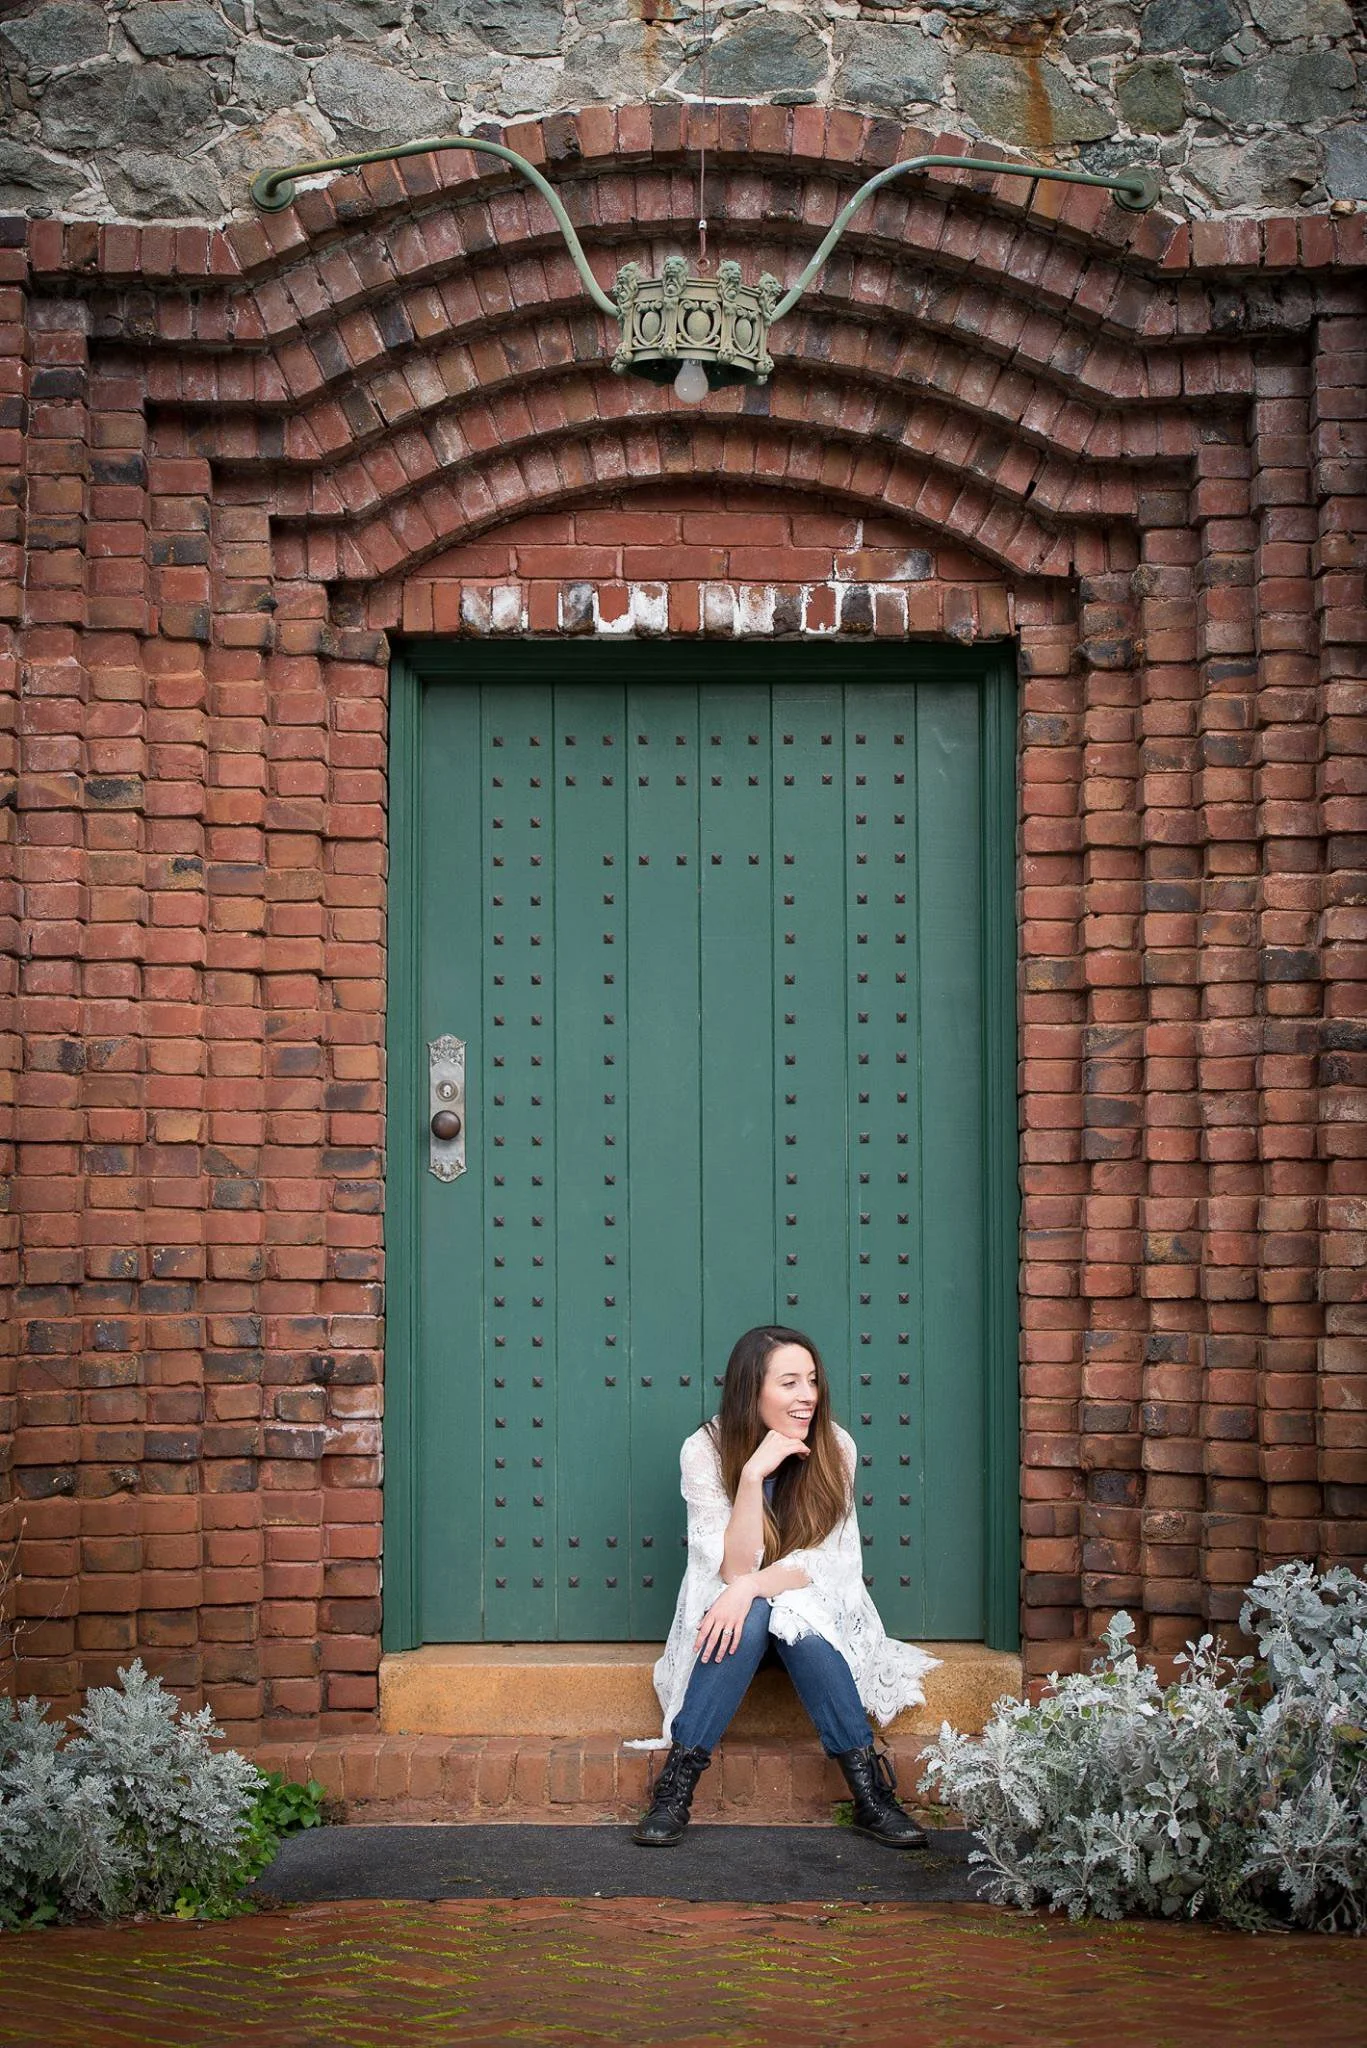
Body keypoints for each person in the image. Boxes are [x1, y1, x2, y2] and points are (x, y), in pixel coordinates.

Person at [629, 1324, 941, 1850]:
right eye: (790, 1383)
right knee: (748, 1614)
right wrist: (752, 1477)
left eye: (812, 1381)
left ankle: (869, 1797)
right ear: (752, 1391)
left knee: (798, 1622)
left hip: (811, 1607)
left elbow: (828, 1563)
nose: (807, 1397)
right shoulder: (704, 1449)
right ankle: (676, 1790)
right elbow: (729, 1568)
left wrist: (750, 1586)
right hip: (735, 1620)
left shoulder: (835, 1446)